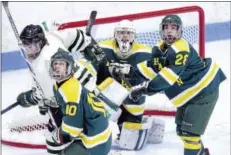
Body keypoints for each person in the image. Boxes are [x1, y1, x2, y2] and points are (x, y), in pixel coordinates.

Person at [129, 14, 226, 155]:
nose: (169, 31)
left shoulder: (181, 48)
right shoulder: (159, 48)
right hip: (189, 94)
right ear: (161, 30)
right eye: (166, 27)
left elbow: (168, 77)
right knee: (181, 131)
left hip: (203, 91)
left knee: (190, 135)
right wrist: (131, 72)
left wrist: (146, 89)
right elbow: (152, 67)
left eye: (173, 28)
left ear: (179, 31)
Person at [15, 24, 98, 153]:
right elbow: (75, 36)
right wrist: (86, 42)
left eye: (32, 46)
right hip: (89, 83)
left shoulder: (44, 66)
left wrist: (30, 98)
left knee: (64, 135)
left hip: (76, 97)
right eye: (26, 46)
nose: (29, 51)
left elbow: (48, 97)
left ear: (40, 42)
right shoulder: (50, 36)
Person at [95, 19, 165, 150]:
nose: (125, 36)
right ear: (115, 34)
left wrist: (150, 88)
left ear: (134, 35)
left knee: (130, 143)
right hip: (108, 94)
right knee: (96, 125)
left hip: (133, 97)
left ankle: (149, 126)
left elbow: (161, 71)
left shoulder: (146, 52)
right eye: (121, 32)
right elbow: (88, 65)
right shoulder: (103, 48)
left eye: (128, 33)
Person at [48, 49, 111, 155]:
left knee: (57, 148)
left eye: (61, 64)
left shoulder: (71, 89)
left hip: (95, 143)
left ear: (69, 67)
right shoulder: (60, 84)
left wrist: (60, 135)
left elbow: (74, 127)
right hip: (96, 133)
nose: (57, 67)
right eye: (55, 64)